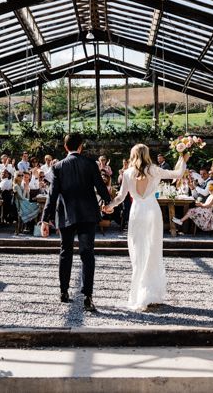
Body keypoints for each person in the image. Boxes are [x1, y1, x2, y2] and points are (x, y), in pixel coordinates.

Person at [106, 144, 186, 311]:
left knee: (137, 251)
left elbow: (121, 197)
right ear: (147, 154)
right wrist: (182, 158)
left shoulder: (127, 173)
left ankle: (140, 293)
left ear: (133, 155)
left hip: (137, 211)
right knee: (153, 250)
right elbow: (177, 174)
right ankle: (151, 293)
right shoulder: (154, 170)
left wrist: (110, 206)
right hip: (152, 210)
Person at [41, 132, 112, 312]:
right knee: (87, 255)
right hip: (87, 215)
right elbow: (101, 187)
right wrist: (109, 203)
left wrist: (44, 219)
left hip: (66, 215)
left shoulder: (57, 167)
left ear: (65, 147)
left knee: (65, 253)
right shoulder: (90, 164)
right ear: (81, 146)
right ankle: (88, 297)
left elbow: (52, 195)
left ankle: (64, 292)